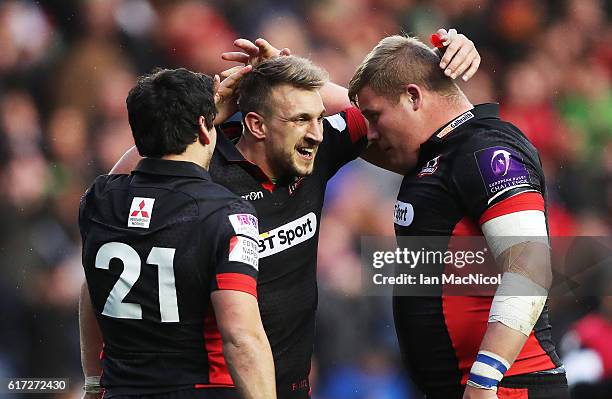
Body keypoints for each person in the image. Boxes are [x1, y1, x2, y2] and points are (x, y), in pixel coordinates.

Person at [109, 29, 481, 398]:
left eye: (319, 117)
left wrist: (438, 72)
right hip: (220, 385)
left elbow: (387, 114)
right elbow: (129, 177)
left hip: (291, 385)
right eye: (301, 119)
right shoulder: (205, 167)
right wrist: (206, 118)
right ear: (256, 125)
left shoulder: (318, 150)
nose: (317, 133)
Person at [347, 35, 569, 398]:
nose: (369, 131)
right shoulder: (435, 153)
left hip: (505, 387)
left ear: (413, 97)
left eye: (374, 117)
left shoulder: (485, 148)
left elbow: (529, 267)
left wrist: (484, 378)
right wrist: (282, 71)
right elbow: (332, 105)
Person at [79, 67, 276, 399]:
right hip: (200, 389)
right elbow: (242, 337)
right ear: (204, 126)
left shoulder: (98, 201)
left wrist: (93, 383)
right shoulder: (227, 214)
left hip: (122, 391)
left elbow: (90, 289)